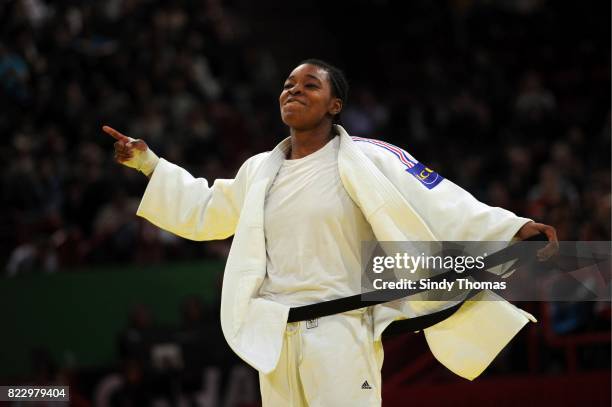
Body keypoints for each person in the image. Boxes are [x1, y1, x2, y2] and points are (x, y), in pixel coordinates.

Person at [103, 58, 558, 406]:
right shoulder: (260, 170)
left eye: (308, 85)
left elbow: (438, 197)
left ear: (334, 105)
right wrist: (148, 164)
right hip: (276, 335)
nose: (293, 91)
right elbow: (205, 209)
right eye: (287, 85)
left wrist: (511, 226)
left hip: (342, 329)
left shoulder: (369, 157)